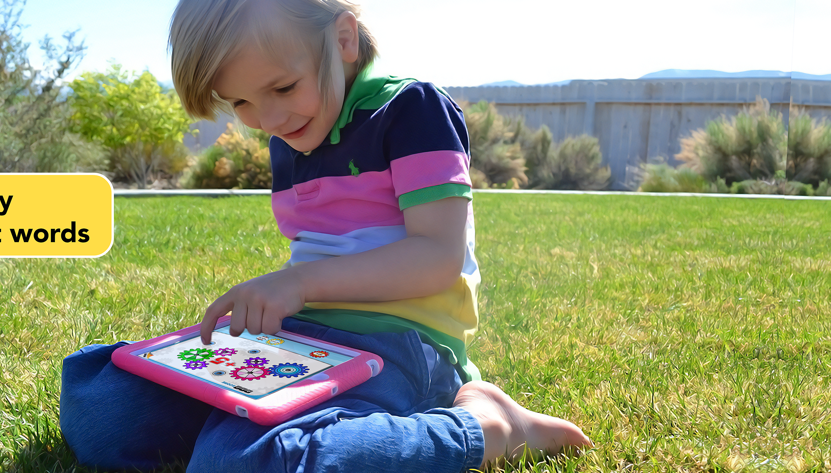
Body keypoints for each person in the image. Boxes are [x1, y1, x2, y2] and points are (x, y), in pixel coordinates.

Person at [59, 0, 593, 471]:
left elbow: (439, 256)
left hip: (402, 344)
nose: (267, 118)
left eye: (283, 87)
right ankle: (247, 423)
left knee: (241, 463)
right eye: (240, 102)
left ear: (342, 39)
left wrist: (300, 284)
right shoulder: (290, 134)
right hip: (301, 337)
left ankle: (486, 428)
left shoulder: (412, 111)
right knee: (100, 409)